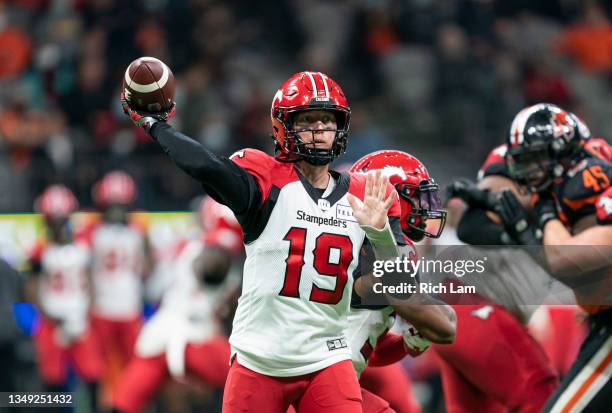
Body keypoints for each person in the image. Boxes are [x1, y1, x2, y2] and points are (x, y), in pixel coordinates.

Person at [122, 70, 408, 413]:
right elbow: (207, 166)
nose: (318, 131)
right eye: (307, 121)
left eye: (326, 121)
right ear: (282, 127)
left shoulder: (367, 195)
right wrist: (157, 126)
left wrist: (380, 236)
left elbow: (399, 284)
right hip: (259, 360)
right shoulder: (266, 180)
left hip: (326, 359)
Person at [504, 103, 612, 412]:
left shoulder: (590, 180)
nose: (531, 171)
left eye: (537, 158)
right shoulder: (573, 183)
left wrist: (546, 214)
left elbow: (566, 260)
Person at [112, 197, 243, 413]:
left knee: (125, 401)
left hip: (161, 336)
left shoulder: (191, 245)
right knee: (256, 376)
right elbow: (212, 265)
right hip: (192, 337)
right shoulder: (214, 247)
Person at [349, 149, 455, 413]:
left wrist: (405, 344)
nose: (425, 208)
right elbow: (445, 327)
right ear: (390, 198)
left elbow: (367, 347)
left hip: (327, 375)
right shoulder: (367, 249)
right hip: (311, 377)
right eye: (417, 198)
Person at [28, 185, 103, 412]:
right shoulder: (40, 249)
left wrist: (85, 312)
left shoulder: (84, 245)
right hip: (52, 321)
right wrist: (49, 315)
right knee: (52, 380)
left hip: (80, 320)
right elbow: (32, 287)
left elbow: (92, 282)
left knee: (93, 376)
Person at [87, 171, 149, 393]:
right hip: (115, 306)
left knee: (118, 368)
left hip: (116, 306)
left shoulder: (92, 232)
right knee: (108, 369)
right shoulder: (137, 232)